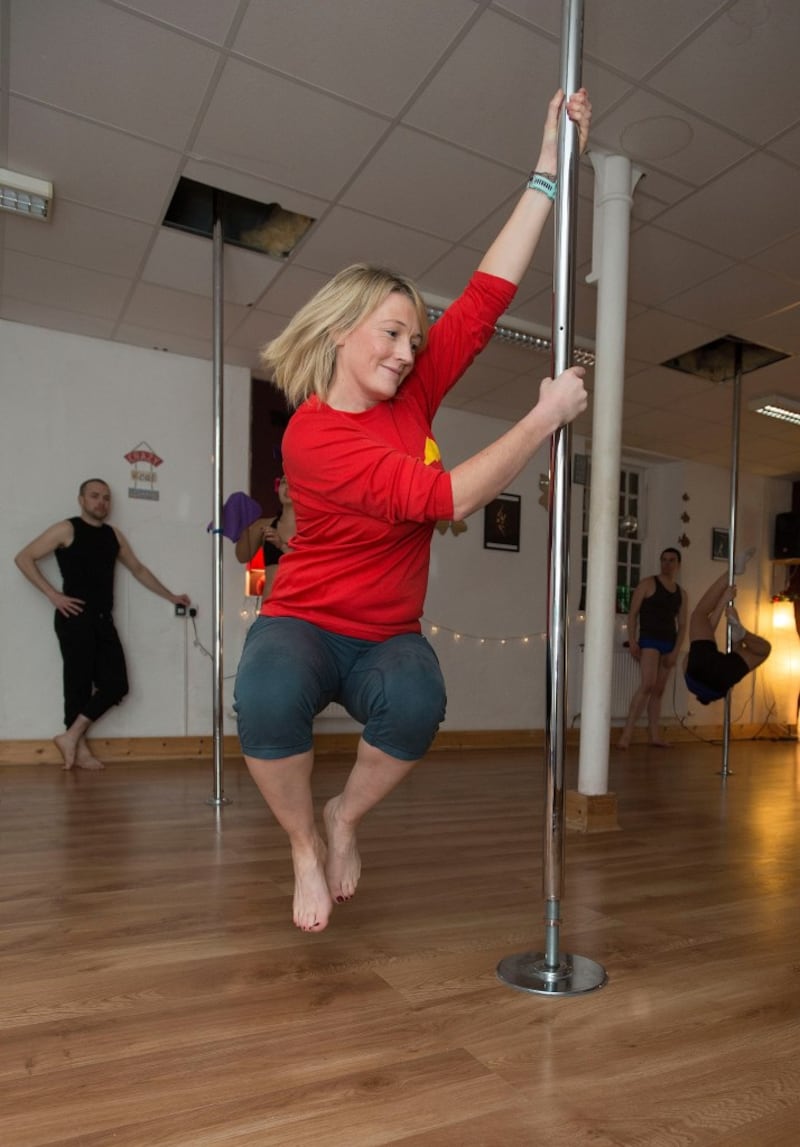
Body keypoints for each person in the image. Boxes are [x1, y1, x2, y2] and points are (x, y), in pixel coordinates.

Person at [234, 87, 592, 933]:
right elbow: (442, 498)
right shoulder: (312, 440)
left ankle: (343, 820)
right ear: (340, 334)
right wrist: (542, 419)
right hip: (307, 619)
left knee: (420, 703)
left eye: (411, 337)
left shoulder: (410, 394)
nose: (408, 350)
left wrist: (546, 168)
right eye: (390, 334)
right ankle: (300, 845)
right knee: (266, 689)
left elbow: (486, 296)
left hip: (387, 632)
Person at [14, 479, 191, 771]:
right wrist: (53, 595)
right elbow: (24, 558)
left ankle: (70, 737)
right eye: (95, 496)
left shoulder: (113, 535)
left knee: (116, 684)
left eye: (106, 498)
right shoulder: (67, 529)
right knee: (78, 686)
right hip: (75, 617)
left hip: (103, 619)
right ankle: (78, 749)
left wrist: (171, 596)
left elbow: (138, 569)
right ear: (81, 499)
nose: (101, 503)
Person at [617, 547, 688, 748]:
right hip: (649, 640)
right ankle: (626, 735)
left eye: (671, 560)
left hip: (669, 642)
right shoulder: (648, 583)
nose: (667, 564)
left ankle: (655, 735)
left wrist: (675, 651)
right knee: (647, 684)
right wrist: (632, 641)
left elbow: (682, 625)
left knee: (658, 690)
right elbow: (632, 614)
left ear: (678, 564)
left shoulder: (682, 594)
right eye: (664, 560)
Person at [683, 550, 770, 706]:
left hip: (720, 682)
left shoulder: (715, 676)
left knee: (764, 650)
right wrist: (722, 601)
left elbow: (707, 633)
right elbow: (706, 632)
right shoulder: (690, 676)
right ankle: (733, 570)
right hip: (700, 673)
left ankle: (742, 634)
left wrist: (724, 601)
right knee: (699, 614)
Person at [236, 475, 296, 599]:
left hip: (301, 606)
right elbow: (243, 556)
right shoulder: (263, 525)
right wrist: (244, 525)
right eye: (283, 482)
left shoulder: (311, 528)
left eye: (293, 482)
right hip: (271, 607)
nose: (287, 487)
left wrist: (282, 545)